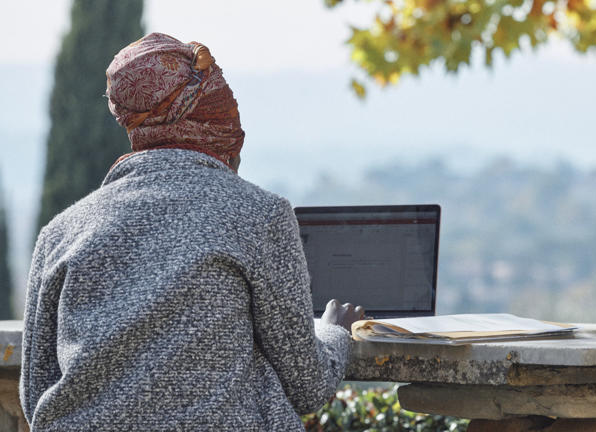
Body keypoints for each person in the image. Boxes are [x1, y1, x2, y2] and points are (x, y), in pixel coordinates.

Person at [20, 32, 363, 431]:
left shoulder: (60, 234)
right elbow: (308, 385)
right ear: (220, 119)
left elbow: (36, 397)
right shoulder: (258, 214)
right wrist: (333, 332)